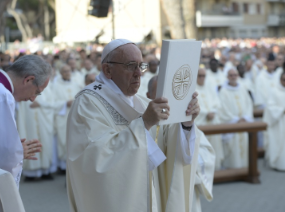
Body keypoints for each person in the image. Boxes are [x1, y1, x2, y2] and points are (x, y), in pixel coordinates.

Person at [66, 39, 200, 212]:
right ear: (108, 70)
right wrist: (144, 124)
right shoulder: (87, 103)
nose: (139, 73)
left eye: (141, 66)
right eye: (131, 66)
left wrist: (186, 122)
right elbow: (92, 160)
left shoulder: (143, 103)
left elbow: (167, 145)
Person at [0, 55, 52, 187]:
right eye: (37, 91)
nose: (33, 99)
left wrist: (13, 148)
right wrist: (17, 152)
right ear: (28, 80)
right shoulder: (1, 96)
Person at [147, 75, 215, 212]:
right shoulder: (145, 122)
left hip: (182, 190)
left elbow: (205, 150)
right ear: (148, 96)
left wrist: (187, 125)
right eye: (160, 92)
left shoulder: (181, 119)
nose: (165, 98)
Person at [218, 69, 253, 169]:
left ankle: (245, 167)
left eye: (235, 75)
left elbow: (248, 104)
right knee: (233, 147)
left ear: (237, 76)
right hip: (232, 123)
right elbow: (222, 108)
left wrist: (245, 117)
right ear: (227, 77)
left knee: (244, 145)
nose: (233, 77)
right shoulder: (223, 91)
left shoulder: (242, 88)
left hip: (243, 122)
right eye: (231, 75)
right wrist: (235, 119)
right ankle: (232, 168)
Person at [195, 66, 224, 170]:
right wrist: (205, 114)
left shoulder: (209, 87)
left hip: (212, 121)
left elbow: (217, 103)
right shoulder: (191, 89)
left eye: (204, 76)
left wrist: (213, 112)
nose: (202, 78)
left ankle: (216, 169)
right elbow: (191, 106)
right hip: (200, 123)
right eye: (199, 76)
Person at [53, 64, 80, 171]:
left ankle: (72, 164)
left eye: (69, 71)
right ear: (60, 73)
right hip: (62, 116)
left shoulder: (76, 85)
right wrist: (64, 103)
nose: (68, 73)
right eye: (65, 71)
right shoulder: (55, 86)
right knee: (63, 139)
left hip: (74, 116)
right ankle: (62, 165)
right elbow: (52, 102)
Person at [263, 72, 285, 171]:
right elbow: (270, 107)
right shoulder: (274, 91)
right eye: (283, 79)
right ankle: (279, 164)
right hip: (278, 122)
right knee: (279, 143)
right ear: (280, 80)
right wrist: (282, 110)